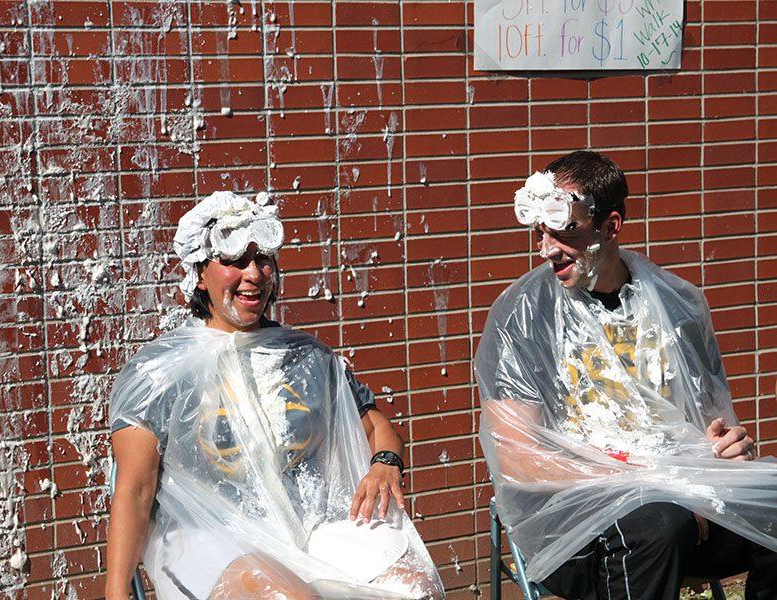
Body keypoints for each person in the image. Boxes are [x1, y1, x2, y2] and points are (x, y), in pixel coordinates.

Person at [106, 191, 444, 600]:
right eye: (234, 261)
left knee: (414, 587)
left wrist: (386, 463)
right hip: (206, 538)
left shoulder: (308, 358)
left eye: (263, 259)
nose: (253, 273)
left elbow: (374, 426)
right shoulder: (159, 373)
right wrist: (117, 592)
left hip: (307, 526)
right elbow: (135, 491)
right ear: (200, 273)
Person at [475, 151, 777, 600]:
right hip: (573, 520)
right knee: (658, 523)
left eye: (565, 230)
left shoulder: (678, 305)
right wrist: (657, 485)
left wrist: (725, 449)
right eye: (540, 231)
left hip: (686, 500)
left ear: (610, 226)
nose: (546, 248)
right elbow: (519, 460)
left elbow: (710, 426)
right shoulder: (523, 316)